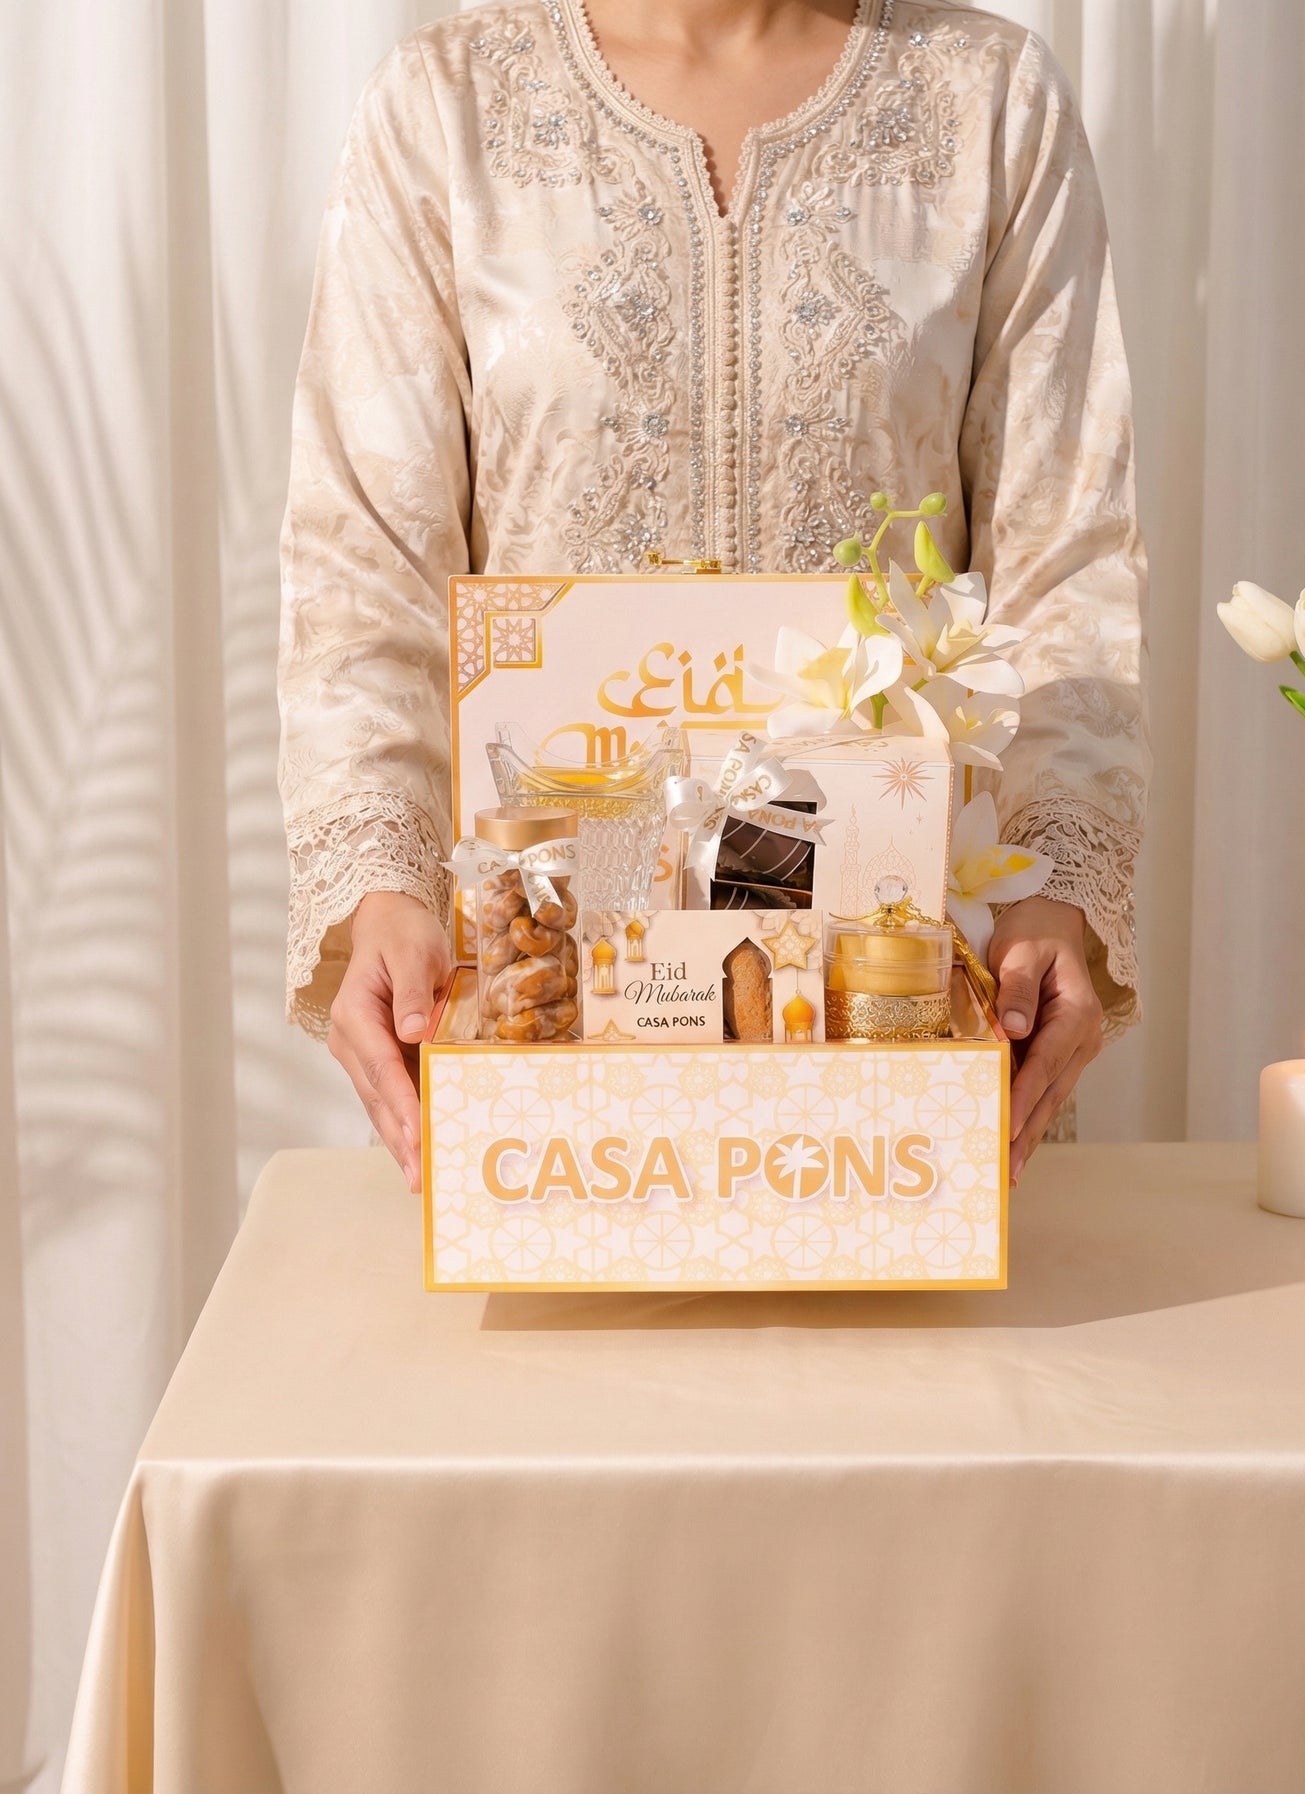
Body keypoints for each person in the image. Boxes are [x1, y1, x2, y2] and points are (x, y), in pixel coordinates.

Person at [278, 0, 1149, 1191]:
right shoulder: (448, 109)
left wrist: (1056, 898)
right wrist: (379, 889)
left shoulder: (983, 101)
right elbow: (362, 564)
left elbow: (1067, 554)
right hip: (552, 1021)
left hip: (892, 1028)